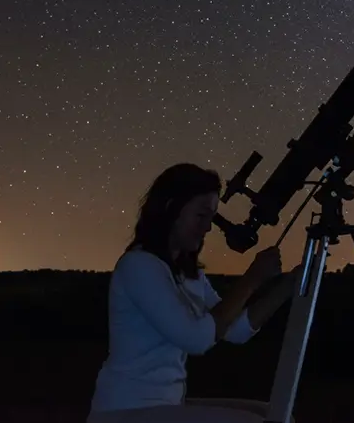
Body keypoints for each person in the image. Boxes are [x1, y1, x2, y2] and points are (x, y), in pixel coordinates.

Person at [87, 163, 300, 423]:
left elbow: (235, 330)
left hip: (167, 404)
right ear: (170, 209)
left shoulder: (188, 274)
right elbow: (196, 339)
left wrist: (288, 285)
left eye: (210, 218)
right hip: (125, 410)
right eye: (201, 216)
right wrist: (252, 279)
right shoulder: (139, 266)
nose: (208, 228)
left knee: (275, 414)